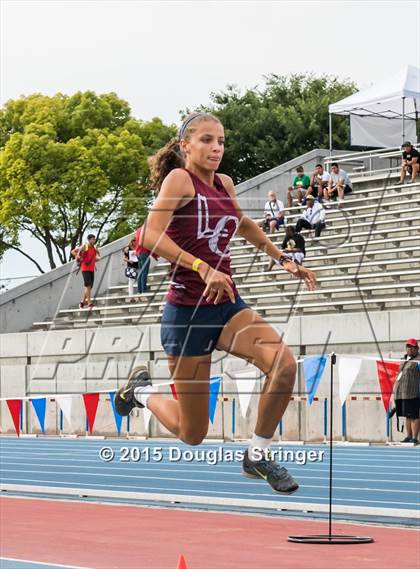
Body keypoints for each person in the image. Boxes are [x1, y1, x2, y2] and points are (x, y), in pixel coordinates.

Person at [115, 112, 317, 494]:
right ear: (185, 146)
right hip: (187, 312)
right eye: (207, 140)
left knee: (284, 365)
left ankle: (257, 454)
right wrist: (202, 267)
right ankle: (140, 392)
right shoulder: (179, 180)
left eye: (221, 141)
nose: (216, 148)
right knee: (192, 433)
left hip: (226, 306)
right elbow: (150, 237)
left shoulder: (224, 183)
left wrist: (284, 259)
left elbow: (243, 224)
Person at [393, 338, 420, 444]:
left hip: (414, 392)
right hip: (402, 392)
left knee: (414, 416)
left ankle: (414, 437)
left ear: (416, 348)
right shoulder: (404, 359)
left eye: (411, 347)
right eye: (407, 346)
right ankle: (408, 436)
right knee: (407, 416)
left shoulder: (418, 359)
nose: (409, 349)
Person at [71, 234, 100, 310]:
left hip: (91, 269)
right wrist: (80, 258)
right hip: (85, 268)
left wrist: (97, 258)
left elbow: (97, 255)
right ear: (89, 240)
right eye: (93, 239)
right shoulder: (85, 246)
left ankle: (81, 302)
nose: (94, 240)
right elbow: (73, 251)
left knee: (89, 287)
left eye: (94, 239)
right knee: (88, 286)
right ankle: (90, 304)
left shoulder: (94, 247)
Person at [135, 225, 159, 302]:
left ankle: (139, 291)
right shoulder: (146, 230)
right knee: (144, 272)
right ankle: (144, 291)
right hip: (144, 253)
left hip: (139, 253)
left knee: (140, 272)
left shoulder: (138, 230)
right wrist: (155, 255)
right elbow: (149, 243)